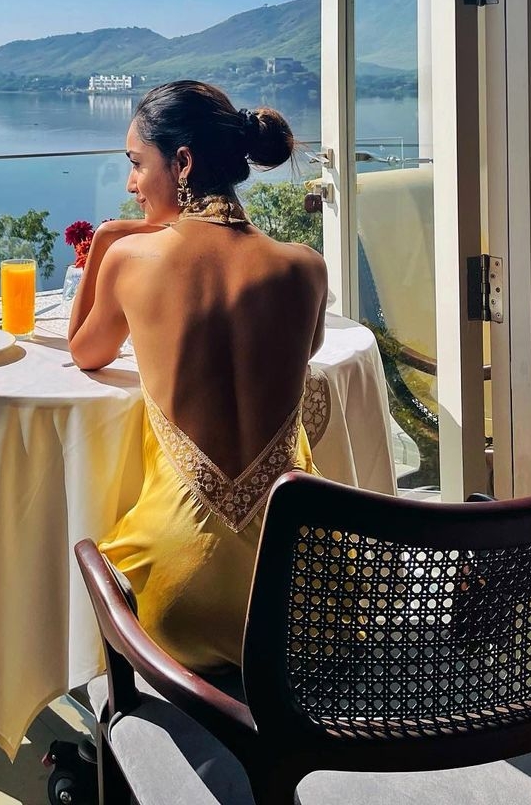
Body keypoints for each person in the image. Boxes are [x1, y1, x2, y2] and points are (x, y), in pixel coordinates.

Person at [67, 79, 328, 673]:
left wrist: (106, 239)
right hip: (306, 593)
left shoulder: (130, 258)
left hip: (179, 592)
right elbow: (306, 350)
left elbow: (85, 351)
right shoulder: (306, 267)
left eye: (137, 164)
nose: (130, 184)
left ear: (182, 162)